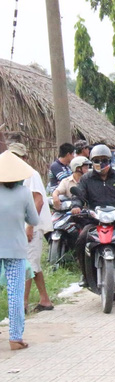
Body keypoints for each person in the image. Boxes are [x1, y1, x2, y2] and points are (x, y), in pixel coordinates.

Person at [70, 145, 115, 293]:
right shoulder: (86, 179)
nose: (100, 163)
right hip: (94, 221)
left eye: (104, 160)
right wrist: (76, 206)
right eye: (96, 160)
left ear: (109, 161)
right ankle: (86, 276)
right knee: (80, 242)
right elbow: (78, 196)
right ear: (92, 162)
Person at [8, 144, 55, 314]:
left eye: (18, 156)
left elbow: (39, 201)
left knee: (27, 264)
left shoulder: (30, 174)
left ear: (25, 158)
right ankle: (45, 299)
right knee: (33, 264)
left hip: (31, 227)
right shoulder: (10, 176)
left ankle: (23, 304)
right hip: (18, 227)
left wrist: (29, 226)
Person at [0, 150, 39, 350]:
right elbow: (33, 220)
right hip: (15, 249)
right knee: (15, 293)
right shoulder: (24, 192)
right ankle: (15, 338)